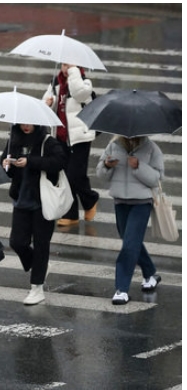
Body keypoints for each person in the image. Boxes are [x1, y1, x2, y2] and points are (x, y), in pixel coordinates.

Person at [0, 124, 68, 305]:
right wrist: (7, 164)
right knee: (17, 242)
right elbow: (8, 171)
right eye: (22, 123)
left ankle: (37, 288)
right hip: (21, 200)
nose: (26, 127)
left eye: (29, 123)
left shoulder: (48, 142)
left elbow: (59, 163)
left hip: (43, 203)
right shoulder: (13, 141)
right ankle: (41, 265)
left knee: (41, 244)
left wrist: (31, 161)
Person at [96, 136, 164, 305]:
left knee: (129, 245)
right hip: (120, 201)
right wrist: (106, 165)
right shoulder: (113, 146)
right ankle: (150, 273)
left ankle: (121, 289)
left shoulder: (151, 148)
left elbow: (157, 178)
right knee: (130, 241)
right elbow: (100, 174)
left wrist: (139, 167)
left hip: (142, 203)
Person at [43, 63, 100, 226]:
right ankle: (71, 213)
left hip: (79, 137)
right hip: (61, 136)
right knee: (65, 176)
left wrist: (73, 73)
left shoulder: (84, 82)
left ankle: (90, 199)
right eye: (63, 64)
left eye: (69, 63)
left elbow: (79, 94)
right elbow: (48, 103)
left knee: (76, 174)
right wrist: (49, 102)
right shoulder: (55, 82)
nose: (65, 67)